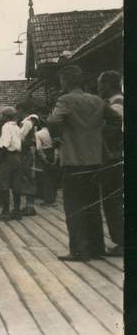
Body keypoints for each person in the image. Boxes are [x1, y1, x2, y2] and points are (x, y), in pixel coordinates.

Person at [48, 65, 118, 261]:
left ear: (66, 81)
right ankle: (97, 247)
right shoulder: (97, 100)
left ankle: (79, 250)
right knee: (92, 204)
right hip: (95, 161)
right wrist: (98, 137)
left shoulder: (65, 100)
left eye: (61, 81)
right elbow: (117, 120)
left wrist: (58, 136)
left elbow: (54, 121)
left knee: (75, 206)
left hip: (73, 162)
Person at [96, 70, 123, 256]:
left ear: (106, 85)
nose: (98, 87)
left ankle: (122, 242)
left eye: (99, 83)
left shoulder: (117, 104)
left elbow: (113, 131)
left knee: (113, 201)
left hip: (114, 159)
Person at [0, 106, 23, 220]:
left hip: (7, 156)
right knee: (16, 184)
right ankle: (16, 211)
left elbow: (5, 143)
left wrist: (0, 158)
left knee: (3, 183)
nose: (0, 117)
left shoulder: (6, 126)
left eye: (2, 115)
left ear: (5, 116)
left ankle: (5, 211)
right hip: (17, 156)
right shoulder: (17, 127)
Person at [15, 102, 40, 216]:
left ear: (21, 110)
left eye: (17, 110)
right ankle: (29, 206)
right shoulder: (29, 122)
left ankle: (30, 207)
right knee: (27, 177)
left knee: (27, 177)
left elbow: (20, 137)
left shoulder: (27, 122)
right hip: (27, 151)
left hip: (25, 153)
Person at [34, 112, 58, 207]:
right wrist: (56, 157)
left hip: (45, 153)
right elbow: (57, 145)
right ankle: (53, 198)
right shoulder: (53, 133)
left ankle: (48, 200)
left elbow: (39, 148)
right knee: (53, 177)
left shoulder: (38, 134)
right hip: (53, 153)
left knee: (46, 177)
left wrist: (43, 158)